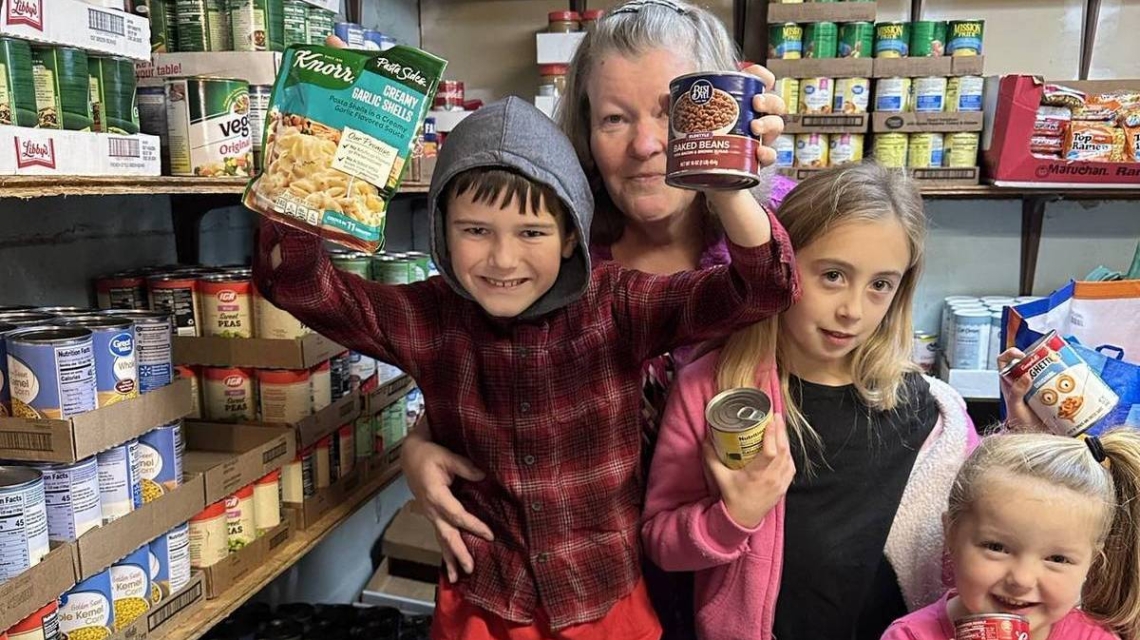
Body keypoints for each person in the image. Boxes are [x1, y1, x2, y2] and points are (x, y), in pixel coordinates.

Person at [254, 95, 798, 639]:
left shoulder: (618, 304)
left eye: (531, 232)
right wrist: (301, 176)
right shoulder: (428, 316)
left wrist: (729, 186)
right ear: (442, 231)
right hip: (483, 602)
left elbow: (762, 287)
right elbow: (301, 286)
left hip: (605, 601)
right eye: (475, 230)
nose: (503, 259)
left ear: (569, 235)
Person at [398, 4, 795, 631]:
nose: (645, 145)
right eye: (614, 118)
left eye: (671, 112)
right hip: (597, 595)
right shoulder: (551, 258)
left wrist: (734, 175)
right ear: (583, 133)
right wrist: (419, 446)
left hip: (757, 571)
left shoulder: (782, 233)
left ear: (719, 106)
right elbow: (486, 373)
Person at [640, 162, 980, 640]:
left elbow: (975, 548)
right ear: (782, 265)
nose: (853, 310)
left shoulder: (934, 417)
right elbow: (661, 542)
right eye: (833, 275)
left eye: (880, 285)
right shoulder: (715, 390)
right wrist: (734, 516)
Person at [880, 428, 1140, 640]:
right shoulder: (909, 636)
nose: (1022, 580)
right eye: (997, 547)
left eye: (1057, 559)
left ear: (1092, 562)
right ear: (952, 533)